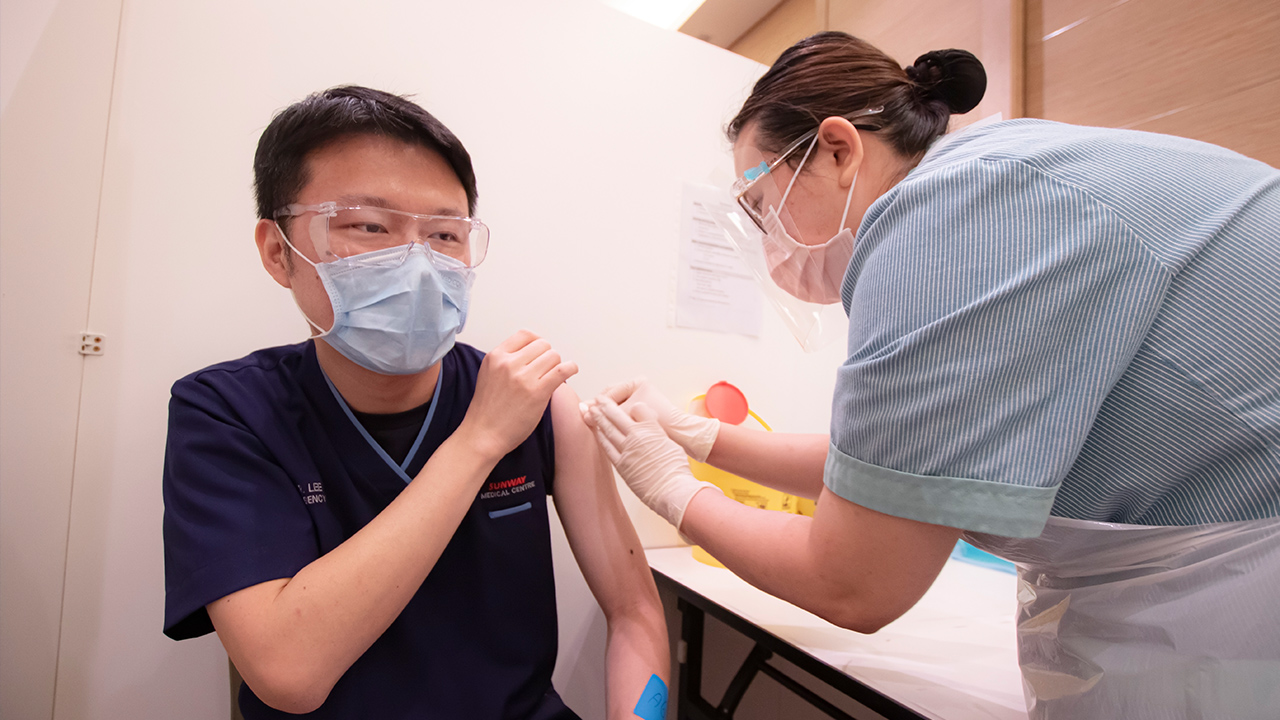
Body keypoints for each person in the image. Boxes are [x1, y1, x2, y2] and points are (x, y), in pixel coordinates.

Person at [585, 32, 1280, 720]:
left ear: (838, 149)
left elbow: (854, 583)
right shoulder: (982, 187)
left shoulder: (945, 221)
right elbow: (894, 474)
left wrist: (675, 490)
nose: (770, 244)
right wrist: (700, 438)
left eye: (763, 206)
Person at [162, 86, 668, 720]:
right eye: (369, 226)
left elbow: (635, 611)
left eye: (446, 235)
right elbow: (287, 673)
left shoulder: (542, 403)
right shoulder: (228, 410)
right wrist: (479, 440)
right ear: (277, 251)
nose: (419, 264)